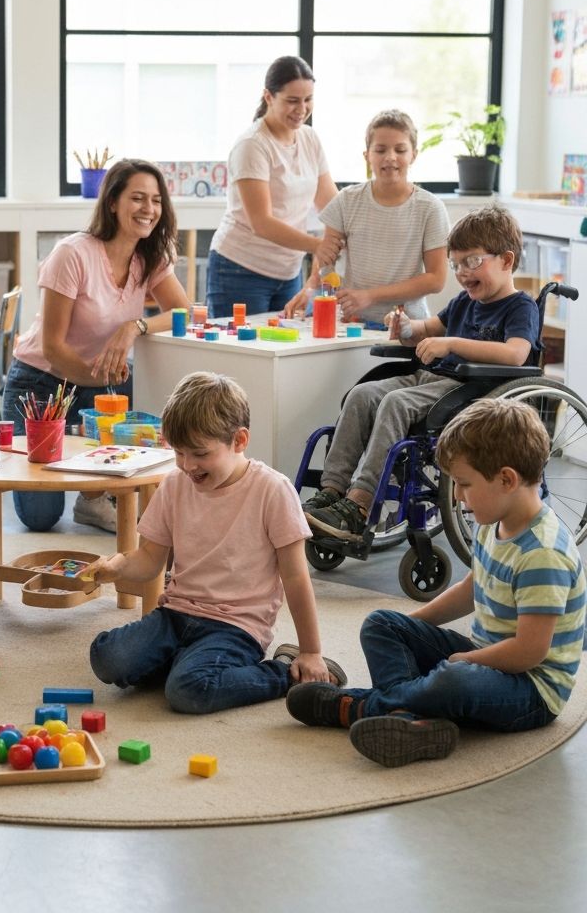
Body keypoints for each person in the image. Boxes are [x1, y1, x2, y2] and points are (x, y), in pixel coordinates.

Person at [286, 397, 585, 768]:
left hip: (530, 690)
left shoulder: (543, 552)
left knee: (455, 679)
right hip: (486, 656)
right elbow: (473, 588)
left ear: (506, 479)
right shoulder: (496, 519)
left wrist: (464, 660)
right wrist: (412, 629)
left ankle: (359, 707)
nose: (457, 495)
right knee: (381, 624)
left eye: (464, 484)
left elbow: (529, 652)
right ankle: (410, 719)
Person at [83, 372, 346, 715]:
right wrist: (118, 566)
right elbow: (149, 558)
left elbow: (296, 578)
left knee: (189, 692)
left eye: (200, 454)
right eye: (178, 453)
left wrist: (311, 651)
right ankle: (183, 661)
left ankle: (284, 671)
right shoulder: (175, 484)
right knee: (107, 657)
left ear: (239, 441)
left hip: (236, 627)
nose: (188, 466)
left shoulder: (273, 490)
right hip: (175, 614)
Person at [304, 204, 540, 541]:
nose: (461, 272)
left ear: (506, 260)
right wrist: (405, 326)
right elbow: (427, 328)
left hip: (471, 389)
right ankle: (331, 491)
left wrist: (451, 343)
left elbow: (516, 354)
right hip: (431, 378)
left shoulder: (520, 307)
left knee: (396, 404)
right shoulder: (464, 302)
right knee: (362, 394)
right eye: (456, 264)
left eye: (472, 261)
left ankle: (359, 504)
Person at [1, 158, 190, 533]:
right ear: (112, 202)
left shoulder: (149, 256)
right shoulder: (72, 253)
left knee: (139, 417)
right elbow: (53, 347)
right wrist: (105, 385)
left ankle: (94, 498)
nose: (148, 209)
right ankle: (96, 487)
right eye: (137, 198)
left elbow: (184, 312)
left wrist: (133, 326)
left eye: (155, 200)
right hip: (41, 385)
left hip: (102, 382)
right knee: (40, 519)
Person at [283, 109, 448, 325]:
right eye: (380, 150)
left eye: (400, 149)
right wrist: (310, 288)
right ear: (367, 156)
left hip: (407, 328)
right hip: (353, 324)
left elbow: (436, 280)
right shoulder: (346, 200)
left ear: (413, 155)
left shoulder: (430, 208)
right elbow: (326, 257)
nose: (390, 157)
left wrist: (370, 296)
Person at [207, 56, 341, 319]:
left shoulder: (310, 139)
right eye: (292, 100)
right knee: (242, 356)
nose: (301, 108)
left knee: (285, 351)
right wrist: (318, 245)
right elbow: (262, 222)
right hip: (239, 269)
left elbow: (331, 204)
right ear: (268, 96)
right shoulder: (252, 145)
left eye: (308, 99)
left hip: (288, 272)